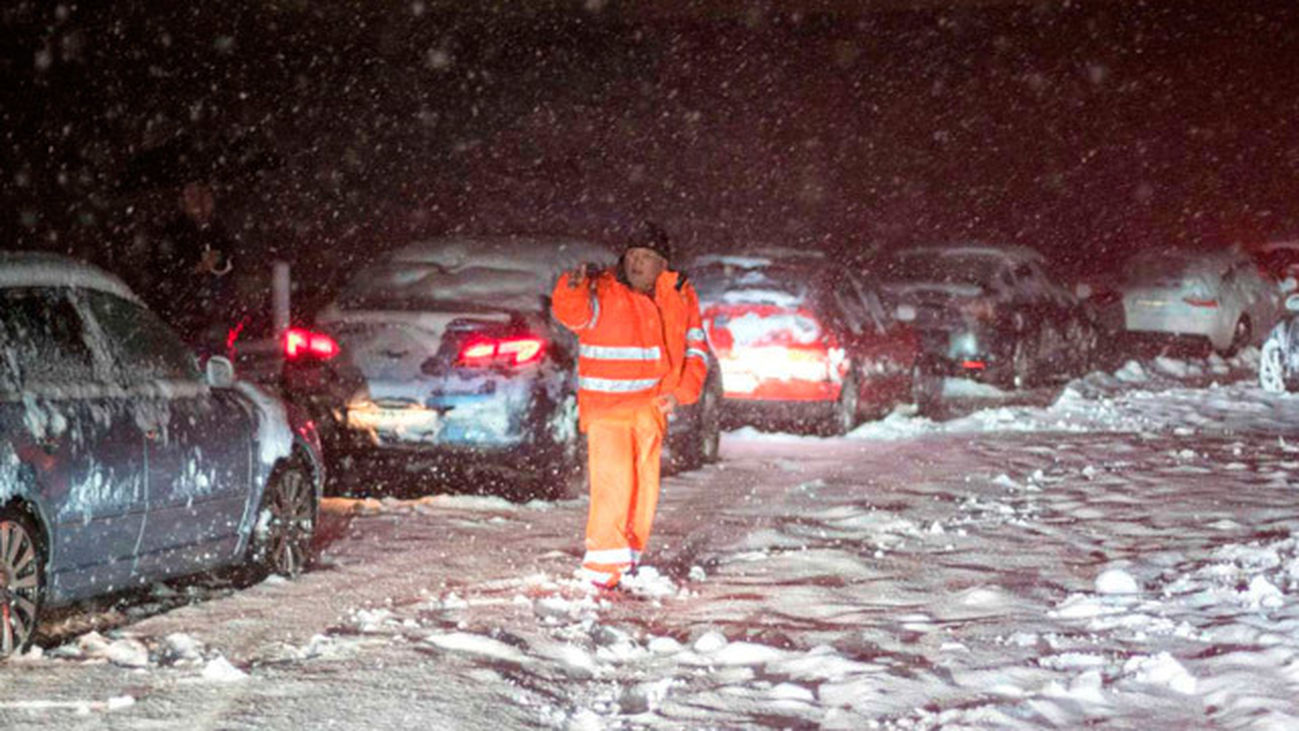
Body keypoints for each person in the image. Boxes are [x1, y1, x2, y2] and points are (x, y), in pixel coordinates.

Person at [550, 222, 710, 589]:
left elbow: (695, 346)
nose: (637, 263)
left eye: (647, 257)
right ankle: (602, 570)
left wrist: (682, 391)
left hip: (651, 408)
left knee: (642, 488)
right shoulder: (603, 289)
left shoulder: (680, 293)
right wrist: (570, 289)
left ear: (663, 264)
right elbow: (575, 315)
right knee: (615, 484)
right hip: (608, 409)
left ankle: (627, 560)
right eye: (633, 255)